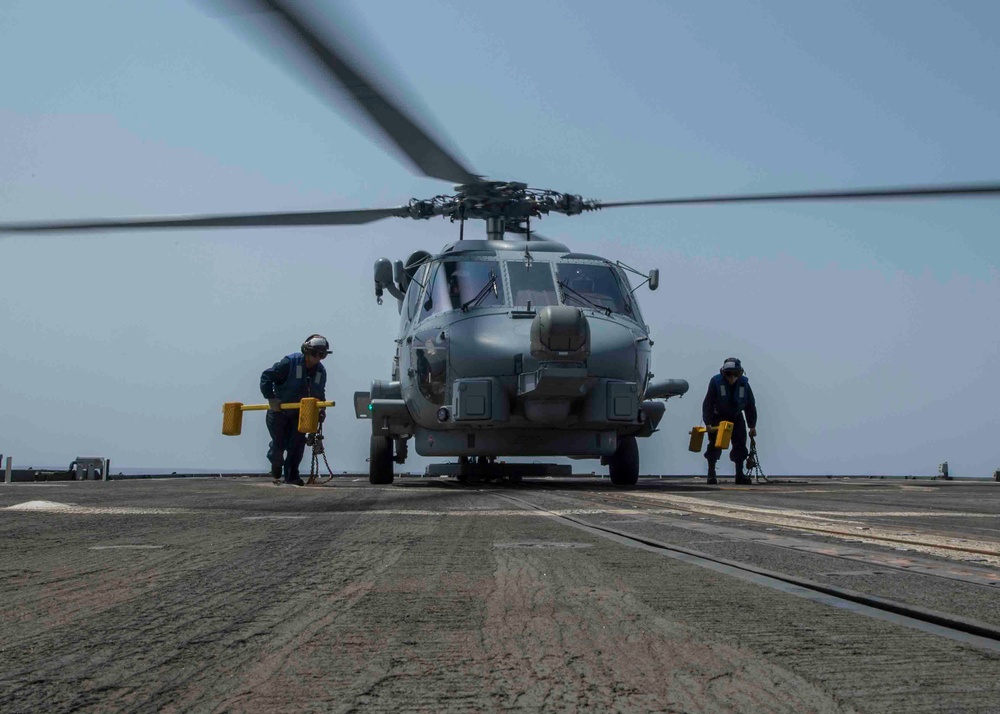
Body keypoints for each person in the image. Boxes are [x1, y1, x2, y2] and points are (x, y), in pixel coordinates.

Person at [260, 334, 330, 486]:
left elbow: (320, 394)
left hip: (300, 415)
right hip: (279, 413)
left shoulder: (320, 372)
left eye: (322, 354)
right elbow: (266, 377)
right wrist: (271, 398)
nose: (318, 358)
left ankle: (292, 477)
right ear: (306, 351)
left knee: (297, 445)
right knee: (279, 445)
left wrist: (321, 410)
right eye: (315, 353)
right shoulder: (289, 363)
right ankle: (276, 463)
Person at [702, 357, 758, 485]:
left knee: (740, 445)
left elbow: (750, 405)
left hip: (736, 417)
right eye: (728, 374)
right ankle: (711, 474)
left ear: (740, 373)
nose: (732, 377)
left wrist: (752, 426)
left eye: (735, 374)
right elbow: (708, 403)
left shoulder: (744, 383)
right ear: (723, 373)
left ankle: (739, 474)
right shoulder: (715, 382)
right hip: (718, 418)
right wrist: (708, 422)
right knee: (715, 445)